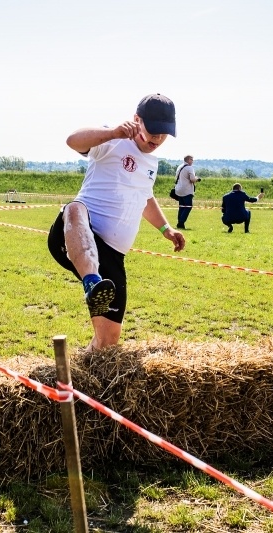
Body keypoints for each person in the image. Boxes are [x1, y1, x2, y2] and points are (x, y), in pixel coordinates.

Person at [47, 93, 185, 351]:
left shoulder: (151, 164)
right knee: (75, 208)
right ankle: (91, 281)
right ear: (137, 120)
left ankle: (80, 380)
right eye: (154, 131)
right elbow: (72, 140)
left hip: (112, 258)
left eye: (164, 134)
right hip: (77, 234)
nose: (157, 139)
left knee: (107, 342)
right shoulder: (113, 140)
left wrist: (166, 228)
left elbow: (145, 198)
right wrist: (113, 133)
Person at [173, 155, 200, 229]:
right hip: (187, 190)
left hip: (179, 189)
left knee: (181, 207)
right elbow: (192, 179)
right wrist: (197, 179)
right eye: (191, 159)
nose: (192, 161)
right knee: (188, 206)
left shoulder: (180, 167)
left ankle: (179, 222)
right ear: (188, 160)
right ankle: (181, 222)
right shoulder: (189, 168)